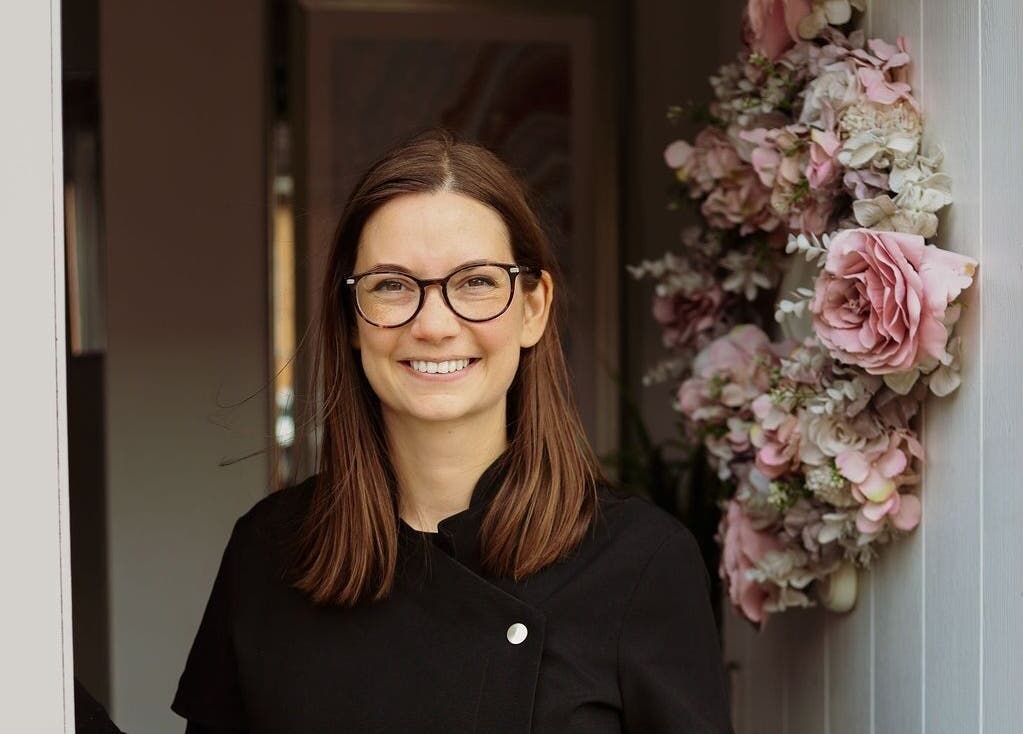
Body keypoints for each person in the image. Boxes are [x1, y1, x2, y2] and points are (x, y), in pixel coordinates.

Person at [170, 129, 732, 733]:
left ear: (533, 308)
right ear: (351, 318)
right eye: (391, 285)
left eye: (476, 282)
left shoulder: (641, 562)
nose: (434, 326)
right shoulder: (268, 551)